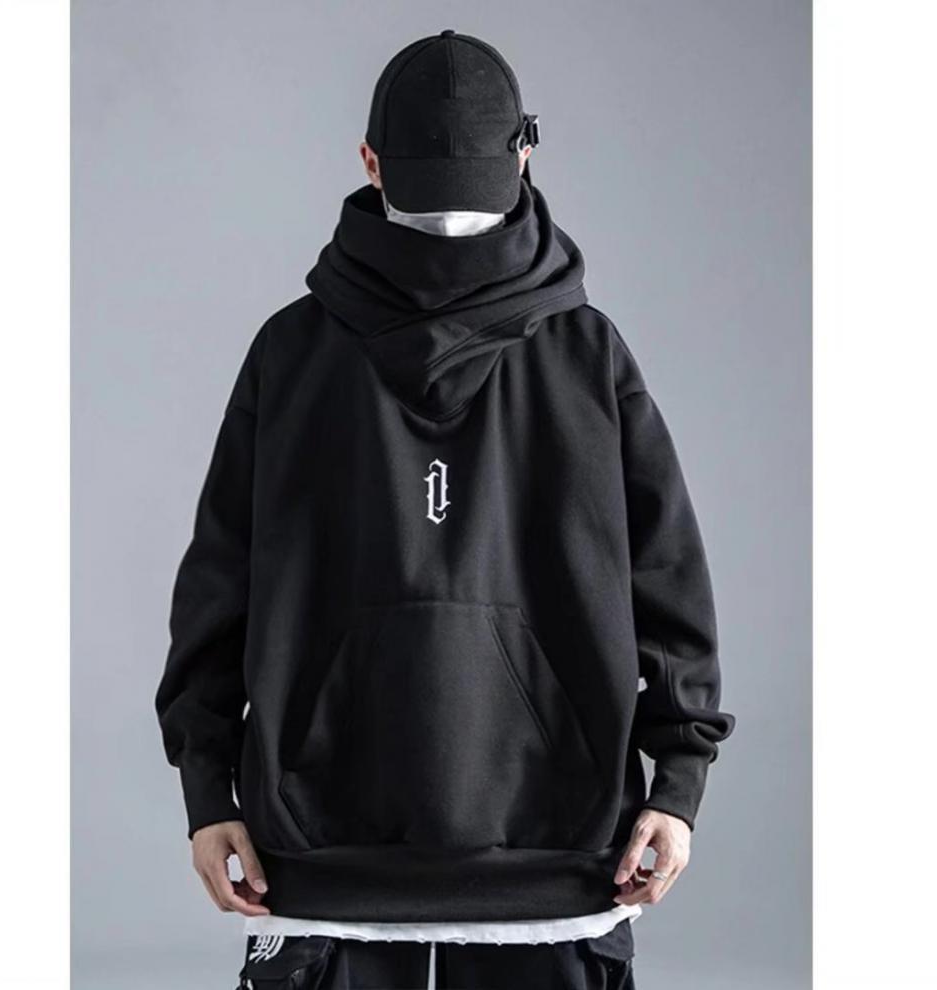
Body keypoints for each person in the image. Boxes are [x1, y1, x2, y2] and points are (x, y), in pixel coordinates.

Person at [155, 29, 734, 990]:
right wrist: (204, 791)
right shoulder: (305, 357)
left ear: (371, 160)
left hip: (448, 862)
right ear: (524, 154)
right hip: (434, 862)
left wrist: (679, 784)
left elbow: (666, 580)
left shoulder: (577, 359)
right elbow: (222, 584)